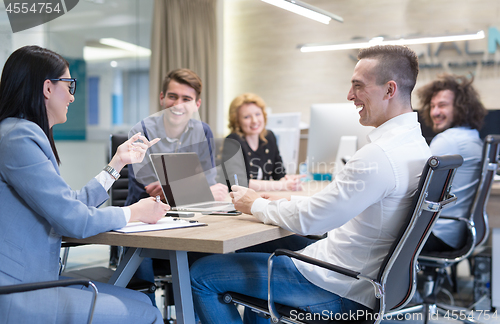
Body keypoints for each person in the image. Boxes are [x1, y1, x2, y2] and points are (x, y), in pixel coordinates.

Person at [190, 45, 432, 324]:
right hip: (363, 279)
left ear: (389, 90)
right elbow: (329, 207)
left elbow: (314, 220)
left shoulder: (380, 156)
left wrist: (255, 204)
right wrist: (273, 203)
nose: (349, 95)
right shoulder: (416, 146)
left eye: (358, 86)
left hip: (337, 284)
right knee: (250, 249)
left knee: (202, 274)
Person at [0, 45, 169, 323]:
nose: (72, 97)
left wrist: (117, 164)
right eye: (69, 85)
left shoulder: (18, 132)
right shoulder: (19, 137)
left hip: (34, 279)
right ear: (47, 88)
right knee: (147, 313)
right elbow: (73, 220)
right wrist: (134, 213)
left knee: (141, 299)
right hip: (22, 292)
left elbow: (68, 204)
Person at [126, 68, 228, 205]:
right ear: (162, 98)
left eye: (186, 99)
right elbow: (148, 190)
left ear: (196, 105)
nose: (178, 105)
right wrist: (200, 191)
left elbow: (208, 181)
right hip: (145, 216)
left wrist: (173, 190)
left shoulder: (203, 131)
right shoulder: (141, 132)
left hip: (194, 211)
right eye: (172, 96)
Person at [418, 73, 487, 252]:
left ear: (461, 107)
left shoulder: (448, 141)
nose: (435, 112)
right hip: (457, 233)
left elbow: (418, 188)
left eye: (442, 105)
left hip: (438, 233)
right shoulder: (471, 137)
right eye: (432, 106)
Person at [226, 93, 302, 192]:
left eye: (258, 114)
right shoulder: (232, 142)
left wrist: (289, 181)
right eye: (246, 117)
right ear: (237, 121)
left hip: (263, 199)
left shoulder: (269, 137)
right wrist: (281, 185)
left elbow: (279, 174)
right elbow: (238, 182)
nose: (254, 120)